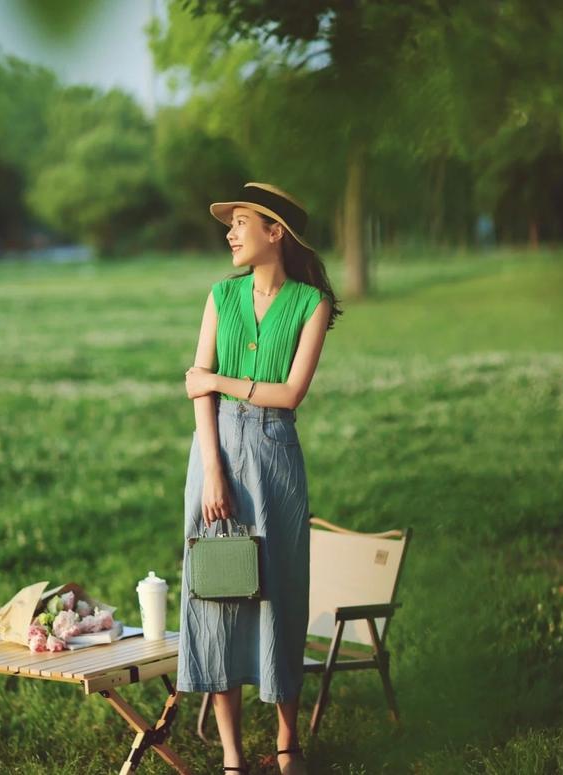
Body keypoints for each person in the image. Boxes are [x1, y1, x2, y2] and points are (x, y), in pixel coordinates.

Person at [178, 182, 342, 774]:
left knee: (279, 590)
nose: (230, 232)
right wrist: (214, 471)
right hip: (215, 453)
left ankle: (286, 743)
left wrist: (218, 382)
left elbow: (290, 392)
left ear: (276, 233)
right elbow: (197, 393)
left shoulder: (311, 303)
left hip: (275, 455)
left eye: (240, 221)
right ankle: (230, 755)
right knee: (218, 590)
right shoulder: (220, 296)